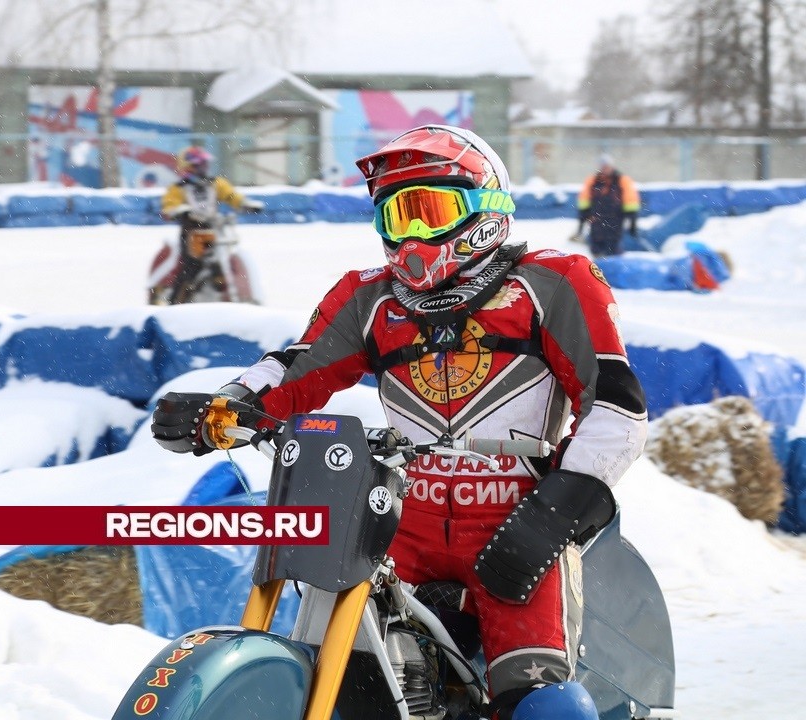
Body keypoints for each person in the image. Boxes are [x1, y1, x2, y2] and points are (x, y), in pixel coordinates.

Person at [151, 125, 648, 720]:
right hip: (396, 523)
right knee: (347, 679)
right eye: (395, 215)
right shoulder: (368, 299)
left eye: (427, 211)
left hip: (515, 521)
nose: (409, 235)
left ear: (485, 208)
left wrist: (551, 518)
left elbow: (618, 408)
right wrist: (222, 408)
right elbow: (295, 369)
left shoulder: (553, 283)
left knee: (545, 708)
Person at [159, 146, 264, 304]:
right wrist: (180, 210)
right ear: (188, 167)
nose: (203, 168)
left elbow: (231, 195)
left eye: (205, 164)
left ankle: (223, 295)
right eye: (198, 165)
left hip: (213, 229)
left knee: (220, 262)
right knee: (191, 268)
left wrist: (245, 204)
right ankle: (174, 302)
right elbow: (169, 205)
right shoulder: (178, 188)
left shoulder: (215, 184)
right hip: (192, 231)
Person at [574, 154, 641, 257]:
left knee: (613, 246)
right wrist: (583, 216)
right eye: (603, 166)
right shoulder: (593, 180)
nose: (605, 169)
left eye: (607, 166)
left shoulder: (621, 180)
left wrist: (632, 221)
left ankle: (612, 266)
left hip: (615, 219)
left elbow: (630, 199)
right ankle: (597, 267)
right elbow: (584, 199)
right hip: (596, 219)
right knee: (596, 247)